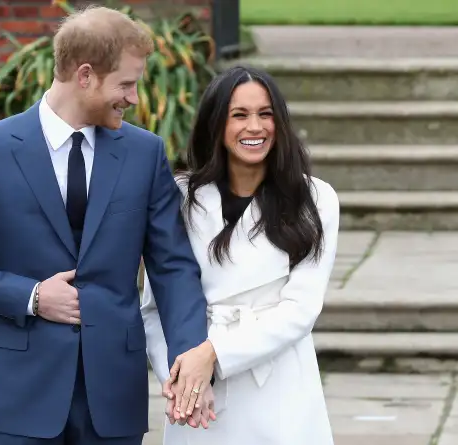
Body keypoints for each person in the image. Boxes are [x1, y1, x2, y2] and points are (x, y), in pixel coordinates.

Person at [0, 6, 216, 445]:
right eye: (126, 84)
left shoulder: (144, 154)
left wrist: (190, 360)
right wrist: (32, 296)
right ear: (85, 76)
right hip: (21, 390)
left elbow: (173, 268)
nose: (133, 98)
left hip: (114, 392)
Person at [141, 65, 340, 444]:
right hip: (199, 395)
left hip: (279, 385)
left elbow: (300, 310)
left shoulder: (314, 199)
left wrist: (213, 354)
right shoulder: (179, 197)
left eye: (266, 114)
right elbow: (154, 307)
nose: (255, 127)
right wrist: (182, 376)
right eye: (239, 115)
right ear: (216, 125)